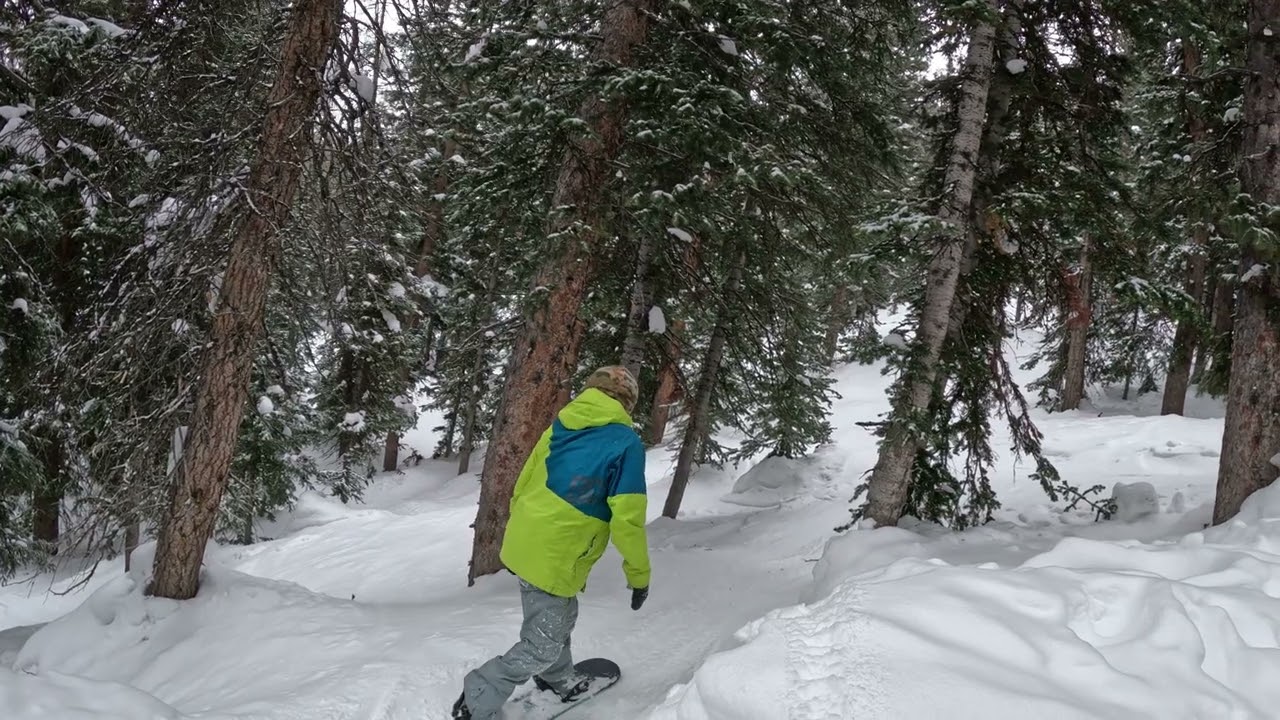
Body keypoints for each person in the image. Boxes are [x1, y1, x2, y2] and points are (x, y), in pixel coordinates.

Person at [453, 366, 651, 720]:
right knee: (543, 642)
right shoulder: (625, 443)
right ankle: (479, 695)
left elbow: (525, 479)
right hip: (558, 551)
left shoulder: (562, 423)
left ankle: (557, 678)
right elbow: (628, 519)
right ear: (627, 401)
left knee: (557, 617)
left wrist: (523, 530)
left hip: (528, 539)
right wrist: (639, 575)